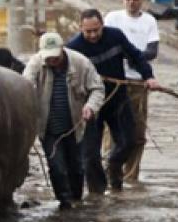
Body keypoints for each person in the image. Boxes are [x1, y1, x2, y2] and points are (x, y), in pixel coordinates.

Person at [66, 10, 160, 195]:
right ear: (80, 29)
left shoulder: (115, 36)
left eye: (96, 30)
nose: (93, 35)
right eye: (88, 32)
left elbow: (136, 56)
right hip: (90, 105)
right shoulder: (74, 49)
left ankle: (114, 169)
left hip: (117, 99)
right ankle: (97, 195)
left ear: (103, 26)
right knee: (90, 155)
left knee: (129, 141)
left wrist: (148, 76)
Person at [23, 32, 104, 209]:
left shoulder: (80, 62)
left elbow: (97, 88)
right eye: (48, 57)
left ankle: (76, 199)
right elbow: (25, 88)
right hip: (49, 128)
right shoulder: (36, 64)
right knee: (57, 166)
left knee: (77, 166)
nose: (51, 61)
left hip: (76, 126)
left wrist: (90, 107)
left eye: (55, 57)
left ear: (62, 50)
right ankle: (64, 202)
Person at [102, 0, 159, 184]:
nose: (131, 2)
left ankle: (131, 175)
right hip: (114, 81)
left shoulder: (149, 21)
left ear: (142, 0)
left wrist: (132, 57)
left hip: (138, 82)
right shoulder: (112, 18)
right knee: (112, 128)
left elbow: (152, 51)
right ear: (122, 0)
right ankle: (110, 171)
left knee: (137, 128)